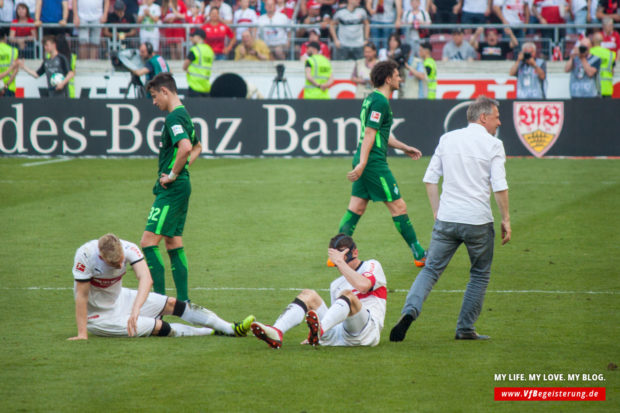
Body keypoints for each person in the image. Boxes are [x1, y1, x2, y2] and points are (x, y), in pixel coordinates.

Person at [390, 96, 511, 343]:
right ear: (483, 117)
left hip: (447, 218)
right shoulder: (493, 145)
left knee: (430, 270)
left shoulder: (447, 139)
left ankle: (408, 312)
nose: (499, 122)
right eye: (497, 117)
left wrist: (437, 211)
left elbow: (430, 179)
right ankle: (465, 328)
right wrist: (506, 219)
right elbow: (499, 186)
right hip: (477, 220)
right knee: (479, 274)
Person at [70, 233, 255, 340]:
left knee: (173, 303)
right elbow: (81, 296)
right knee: (159, 326)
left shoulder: (128, 248)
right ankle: (208, 332)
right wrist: (82, 333)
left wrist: (136, 309)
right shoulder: (85, 257)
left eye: (121, 262)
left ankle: (230, 328)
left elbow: (145, 278)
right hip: (100, 317)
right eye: (114, 265)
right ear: (101, 258)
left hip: (121, 299)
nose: (120, 266)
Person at [337, 60, 426, 267]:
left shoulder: (372, 99)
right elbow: (369, 133)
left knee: (356, 208)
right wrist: (363, 163)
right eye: (397, 75)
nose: (400, 78)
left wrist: (404, 147)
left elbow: (379, 134)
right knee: (398, 206)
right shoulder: (380, 102)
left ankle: (336, 253)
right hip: (373, 162)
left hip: (365, 158)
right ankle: (420, 254)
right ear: (388, 79)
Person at [251, 234, 387, 348]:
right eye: (335, 257)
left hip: (368, 333)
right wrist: (322, 337)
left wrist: (340, 263)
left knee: (347, 295)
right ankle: (277, 331)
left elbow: (364, 286)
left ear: (355, 252)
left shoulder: (371, 266)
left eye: (342, 254)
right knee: (308, 295)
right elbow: (338, 319)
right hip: (343, 335)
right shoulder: (336, 285)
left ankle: (319, 331)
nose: (339, 260)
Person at [140, 73, 202, 303]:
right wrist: (182, 170)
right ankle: (183, 303)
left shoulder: (173, 118)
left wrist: (173, 174)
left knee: (147, 242)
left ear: (165, 91)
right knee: (173, 241)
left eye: (155, 96)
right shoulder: (185, 114)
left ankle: (159, 303)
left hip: (172, 188)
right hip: (180, 186)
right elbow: (198, 146)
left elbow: (186, 147)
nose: (154, 102)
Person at [183, 29, 214, 97]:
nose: (191, 38)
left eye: (193, 36)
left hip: (195, 86)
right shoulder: (209, 49)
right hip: (206, 86)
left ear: (198, 37)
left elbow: (185, 65)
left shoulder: (195, 49)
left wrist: (186, 69)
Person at [590, 31, 616, 97]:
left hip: (593, 88)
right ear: (602, 40)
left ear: (592, 40)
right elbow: (612, 71)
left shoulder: (589, 52)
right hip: (607, 88)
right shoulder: (610, 54)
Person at [0, 28, 19, 97]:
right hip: (9, 87)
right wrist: (6, 86)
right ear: (5, 37)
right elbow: (16, 70)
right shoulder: (13, 51)